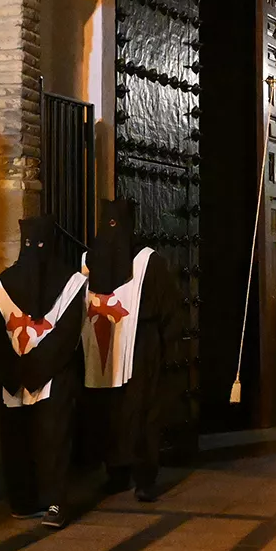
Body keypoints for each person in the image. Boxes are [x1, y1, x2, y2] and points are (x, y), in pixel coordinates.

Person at [80, 198, 184, 503]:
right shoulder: (89, 261)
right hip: (107, 346)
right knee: (113, 411)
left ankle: (142, 476)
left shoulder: (148, 262)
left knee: (141, 411)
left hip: (141, 347)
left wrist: (163, 347)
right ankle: (118, 471)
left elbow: (168, 310)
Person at [0, 215, 86, 528]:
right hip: (17, 376)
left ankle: (56, 501)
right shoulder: (4, 284)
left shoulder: (71, 284)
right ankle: (24, 498)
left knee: (53, 438)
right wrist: (16, 370)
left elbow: (68, 333)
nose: (34, 251)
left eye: (39, 245)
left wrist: (31, 370)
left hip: (51, 376)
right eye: (29, 245)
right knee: (19, 438)